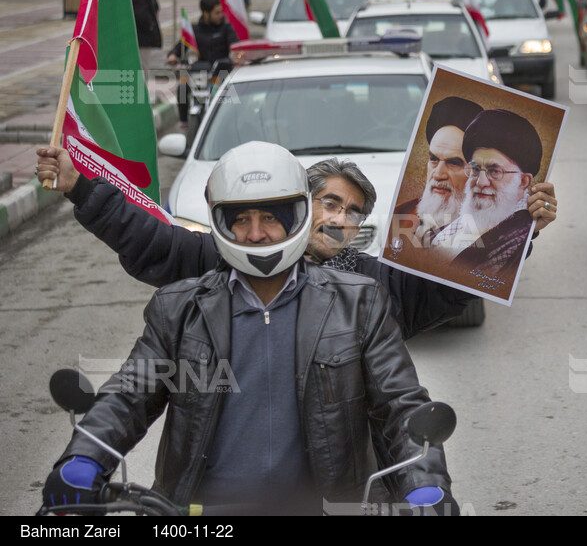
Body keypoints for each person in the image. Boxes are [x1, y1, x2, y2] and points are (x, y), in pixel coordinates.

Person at [40, 142, 456, 515]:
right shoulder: (181, 306)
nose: (256, 233)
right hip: (197, 513)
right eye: (240, 218)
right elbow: (130, 394)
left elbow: (400, 405)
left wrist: (425, 484)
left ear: (295, 214)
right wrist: (84, 457)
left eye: (271, 217)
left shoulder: (362, 299)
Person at [34, 148, 556, 339]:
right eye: (329, 203)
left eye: (353, 212)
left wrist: (520, 225)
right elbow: (151, 242)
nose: (340, 218)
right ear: (300, 207)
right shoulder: (228, 258)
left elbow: (451, 285)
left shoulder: (373, 286)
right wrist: (81, 187)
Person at [432, 109, 550, 279]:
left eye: (494, 171)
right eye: (475, 169)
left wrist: (529, 230)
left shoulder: (514, 238)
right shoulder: (448, 223)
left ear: (523, 182)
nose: (480, 182)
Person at [394, 96, 482, 246]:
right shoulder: (400, 215)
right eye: (434, 159)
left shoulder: (491, 228)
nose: (438, 174)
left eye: (454, 163)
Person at [130, 0, 162, 76]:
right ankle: (141, 94)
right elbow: (141, 12)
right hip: (141, 36)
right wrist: (151, 26)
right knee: (142, 68)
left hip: (135, 35)